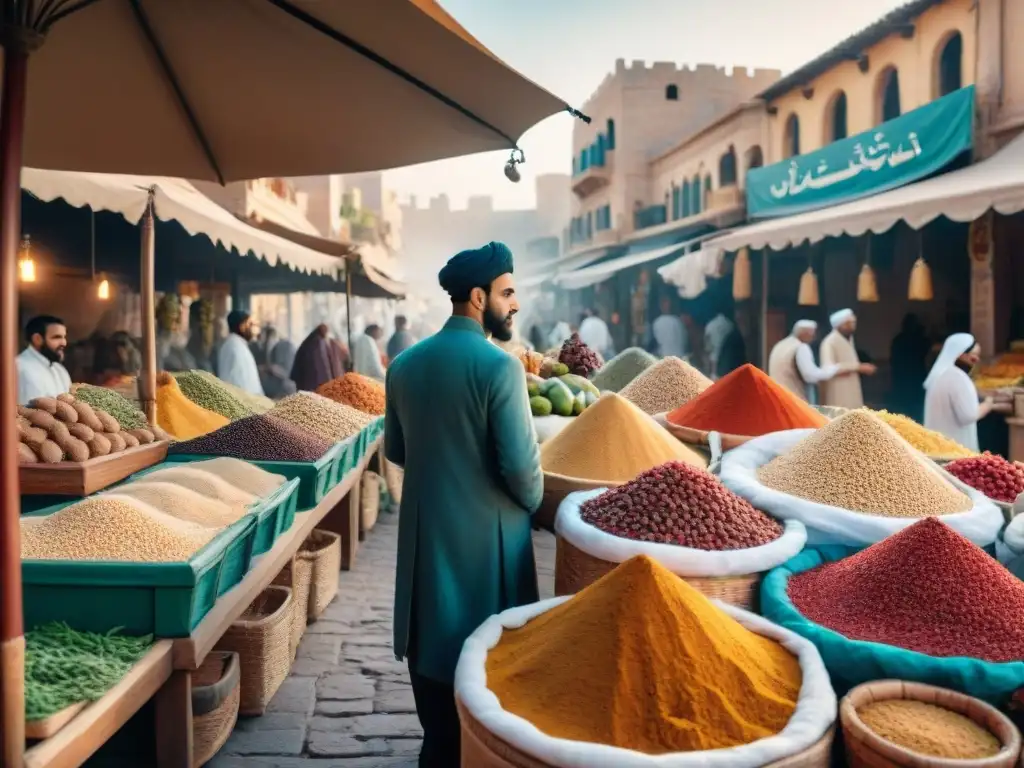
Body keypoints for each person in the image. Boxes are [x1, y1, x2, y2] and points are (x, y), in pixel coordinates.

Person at [386, 241, 542, 768]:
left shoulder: (404, 366)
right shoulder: (501, 370)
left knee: (435, 686)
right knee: (488, 673)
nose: (514, 303)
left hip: (427, 545)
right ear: (478, 297)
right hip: (488, 553)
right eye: (508, 292)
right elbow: (525, 478)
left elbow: (397, 451)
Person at [768, 320, 871, 403]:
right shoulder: (801, 347)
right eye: (812, 335)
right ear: (805, 333)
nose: (813, 338)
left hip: (778, 397)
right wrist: (836, 369)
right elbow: (811, 375)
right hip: (793, 398)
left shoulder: (781, 345)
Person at [924, 333, 993, 452]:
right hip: (956, 452)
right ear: (961, 354)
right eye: (974, 356)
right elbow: (969, 415)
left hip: (937, 449)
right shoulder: (957, 377)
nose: (976, 361)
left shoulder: (940, 375)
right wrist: (988, 404)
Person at [820, 309, 877, 408]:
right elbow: (828, 369)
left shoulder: (849, 340)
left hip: (852, 388)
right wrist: (858, 367)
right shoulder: (830, 342)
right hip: (838, 390)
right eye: (850, 323)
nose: (853, 326)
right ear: (841, 325)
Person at [17, 315, 72, 405]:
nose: (64, 343)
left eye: (64, 337)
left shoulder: (60, 370)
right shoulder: (18, 367)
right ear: (37, 339)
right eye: (57, 337)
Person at [889, 313, 931, 422]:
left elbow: (893, 360)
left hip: (902, 379)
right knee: (916, 412)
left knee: (903, 412)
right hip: (916, 378)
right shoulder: (919, 340)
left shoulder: (898, 340)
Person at [217, 310, 264, 395]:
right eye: (250, 324)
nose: (252, 328)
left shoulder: (235, 345)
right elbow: (242, 382)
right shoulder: (235, 347)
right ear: (242, 327)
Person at [291, 324, 343, 392]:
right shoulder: (317, 344)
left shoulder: (309, 342)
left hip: (305, 383)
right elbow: (323, 368)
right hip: (312, 385)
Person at [257, 326, 297, 399]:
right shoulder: (273, 348)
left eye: (264, 340)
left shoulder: (286, 346)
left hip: (286, 390)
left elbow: (286, 372)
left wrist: (267, 368)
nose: (262, 343)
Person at [704, 311, 735, 379]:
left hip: (714, 362)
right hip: (727, 361)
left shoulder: (710, 325)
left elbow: (708, 347)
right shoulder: (730, 324)